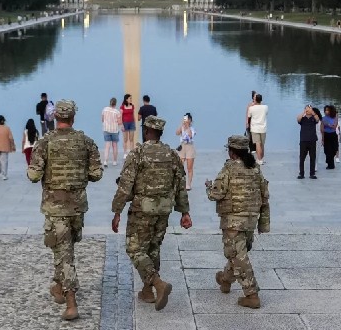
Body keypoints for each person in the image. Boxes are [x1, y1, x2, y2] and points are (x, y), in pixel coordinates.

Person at [27, 100, 103, 321]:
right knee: (65, 249)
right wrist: (79, 175)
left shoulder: (44, 142)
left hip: (55, 206)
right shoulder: (86, 142)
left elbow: (33, 176)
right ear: (73, 118)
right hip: (78, 207)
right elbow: (97, 174)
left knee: (64, 253)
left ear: (54, 118)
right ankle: (58, 286)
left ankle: (71, 303)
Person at [111, 116, 192, 312]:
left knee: (134, 249)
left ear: (146, 132)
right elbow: (180, 185)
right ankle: (147, 292)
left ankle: (157, 283)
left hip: (142, 209)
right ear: (160, 133)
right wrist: (184, 212)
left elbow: (125, 185)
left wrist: (117, 211)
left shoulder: (137, 154)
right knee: (153, 248)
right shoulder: (172, 155)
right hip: (164, 209)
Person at [205, 135, 270, 309]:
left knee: (237, 255)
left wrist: (208, 187)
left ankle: (251, 294)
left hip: (233, 221)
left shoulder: (229, 168)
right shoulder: (255, 169)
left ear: (232, 152)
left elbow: (216, 194)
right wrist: (264, 223)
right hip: (250, 220)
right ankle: (225, 280)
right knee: (237, 253)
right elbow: (265, 195)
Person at [297, 104, 320, 179]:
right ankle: (301, 173)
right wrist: (304, 112)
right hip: (303, 140)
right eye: (307, 109)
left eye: (310, 109)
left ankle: (312, 174)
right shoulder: (303, 119)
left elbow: (317, 119)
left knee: (312, 157)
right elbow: (298, 119)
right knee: (302, 157)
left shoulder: (314, 118)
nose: (308, 110)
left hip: (312, 140)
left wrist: (312, 112)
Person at [175, 113, 196, 190]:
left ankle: (188, 184)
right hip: (182, 146)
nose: (186, 121)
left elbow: (190, 135)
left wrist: (187, 126)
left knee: (189, 167)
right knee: (180, 166)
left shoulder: (192, 129)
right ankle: (179, 183)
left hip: (190, 147)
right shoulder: (182, 127)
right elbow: (177, 133)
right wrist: (181, 125)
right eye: (185, 119)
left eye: (187, 119)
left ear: (190, 120)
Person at [0, 115, 15, 180]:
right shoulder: (7, 128)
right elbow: (11, 138)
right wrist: (13, 145)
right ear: (4, 121)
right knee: (4, 162)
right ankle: (4, 175)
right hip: (5, 147)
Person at [247, 93, 268, 165]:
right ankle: (261, 158)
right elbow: (266, 113)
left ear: (255, 100)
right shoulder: (265, 107)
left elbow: (249, 116)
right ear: (261, 100)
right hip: (263, 128)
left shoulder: (251, 108)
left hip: (255, 128)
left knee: (257, 144)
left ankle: (259, 160)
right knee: (262, 144)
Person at [102, 97, 122, 167]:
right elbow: (119, 122)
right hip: (114, 130)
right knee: (115, 146)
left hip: (106, 129)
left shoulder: (105, 109)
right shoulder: (117, 112)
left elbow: (102, 119)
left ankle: (105, 161)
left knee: (107, 146)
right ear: (115, 104)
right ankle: (114, 161)